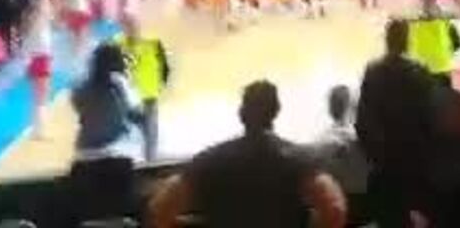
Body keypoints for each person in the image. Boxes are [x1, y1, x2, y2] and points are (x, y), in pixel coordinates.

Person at [149, 80, 347, 228]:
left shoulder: (212, 160)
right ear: (276, 112)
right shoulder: (298, 159)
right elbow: (335, 210)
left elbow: (160, 210)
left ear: (241, 113)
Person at [356, 18, 438, 228]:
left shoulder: (373, 71)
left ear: (387, 40)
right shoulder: (420, 71)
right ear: (407, 41)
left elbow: (363, 121)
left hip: (384, 162)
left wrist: (375, 155)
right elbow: (431, 117)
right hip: (415, 161)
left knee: (389, 217)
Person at [71, 43, 144, 163]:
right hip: (114, 151)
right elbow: (135, 115)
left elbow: (79, 107)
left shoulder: (81, 88)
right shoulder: (119, 86)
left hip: (85, 151)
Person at [115, 12, 171, 162]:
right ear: (123, 27)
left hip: (148, 93)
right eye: (127, 26)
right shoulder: (117, 44)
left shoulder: (152, 42)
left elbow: (164, 65)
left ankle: (150, 159)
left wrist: (162, 83)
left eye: (133, 25)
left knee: (150, 128)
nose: (131, 29)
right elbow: (113, 67)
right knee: (140, 123)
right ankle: (145, 148)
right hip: (129, 95)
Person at [308, 85, 369, 220]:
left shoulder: (319, 140)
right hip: (362, 205)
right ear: (351, 107)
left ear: (330, 109)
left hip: (337, 207)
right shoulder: (362, 138)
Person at [407, 0, 460, 86]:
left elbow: (407, 47)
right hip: (442, 67)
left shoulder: (414, 24)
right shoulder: (444, 22)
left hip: (422, 69)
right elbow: (457, 44)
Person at [22, 0, 55, 140]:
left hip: (34, 58)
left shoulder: (30, 19)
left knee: (38, 97)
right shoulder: (40, 21)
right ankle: (39, 131)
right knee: (42, 97)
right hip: (42, 58)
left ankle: (37, 128)